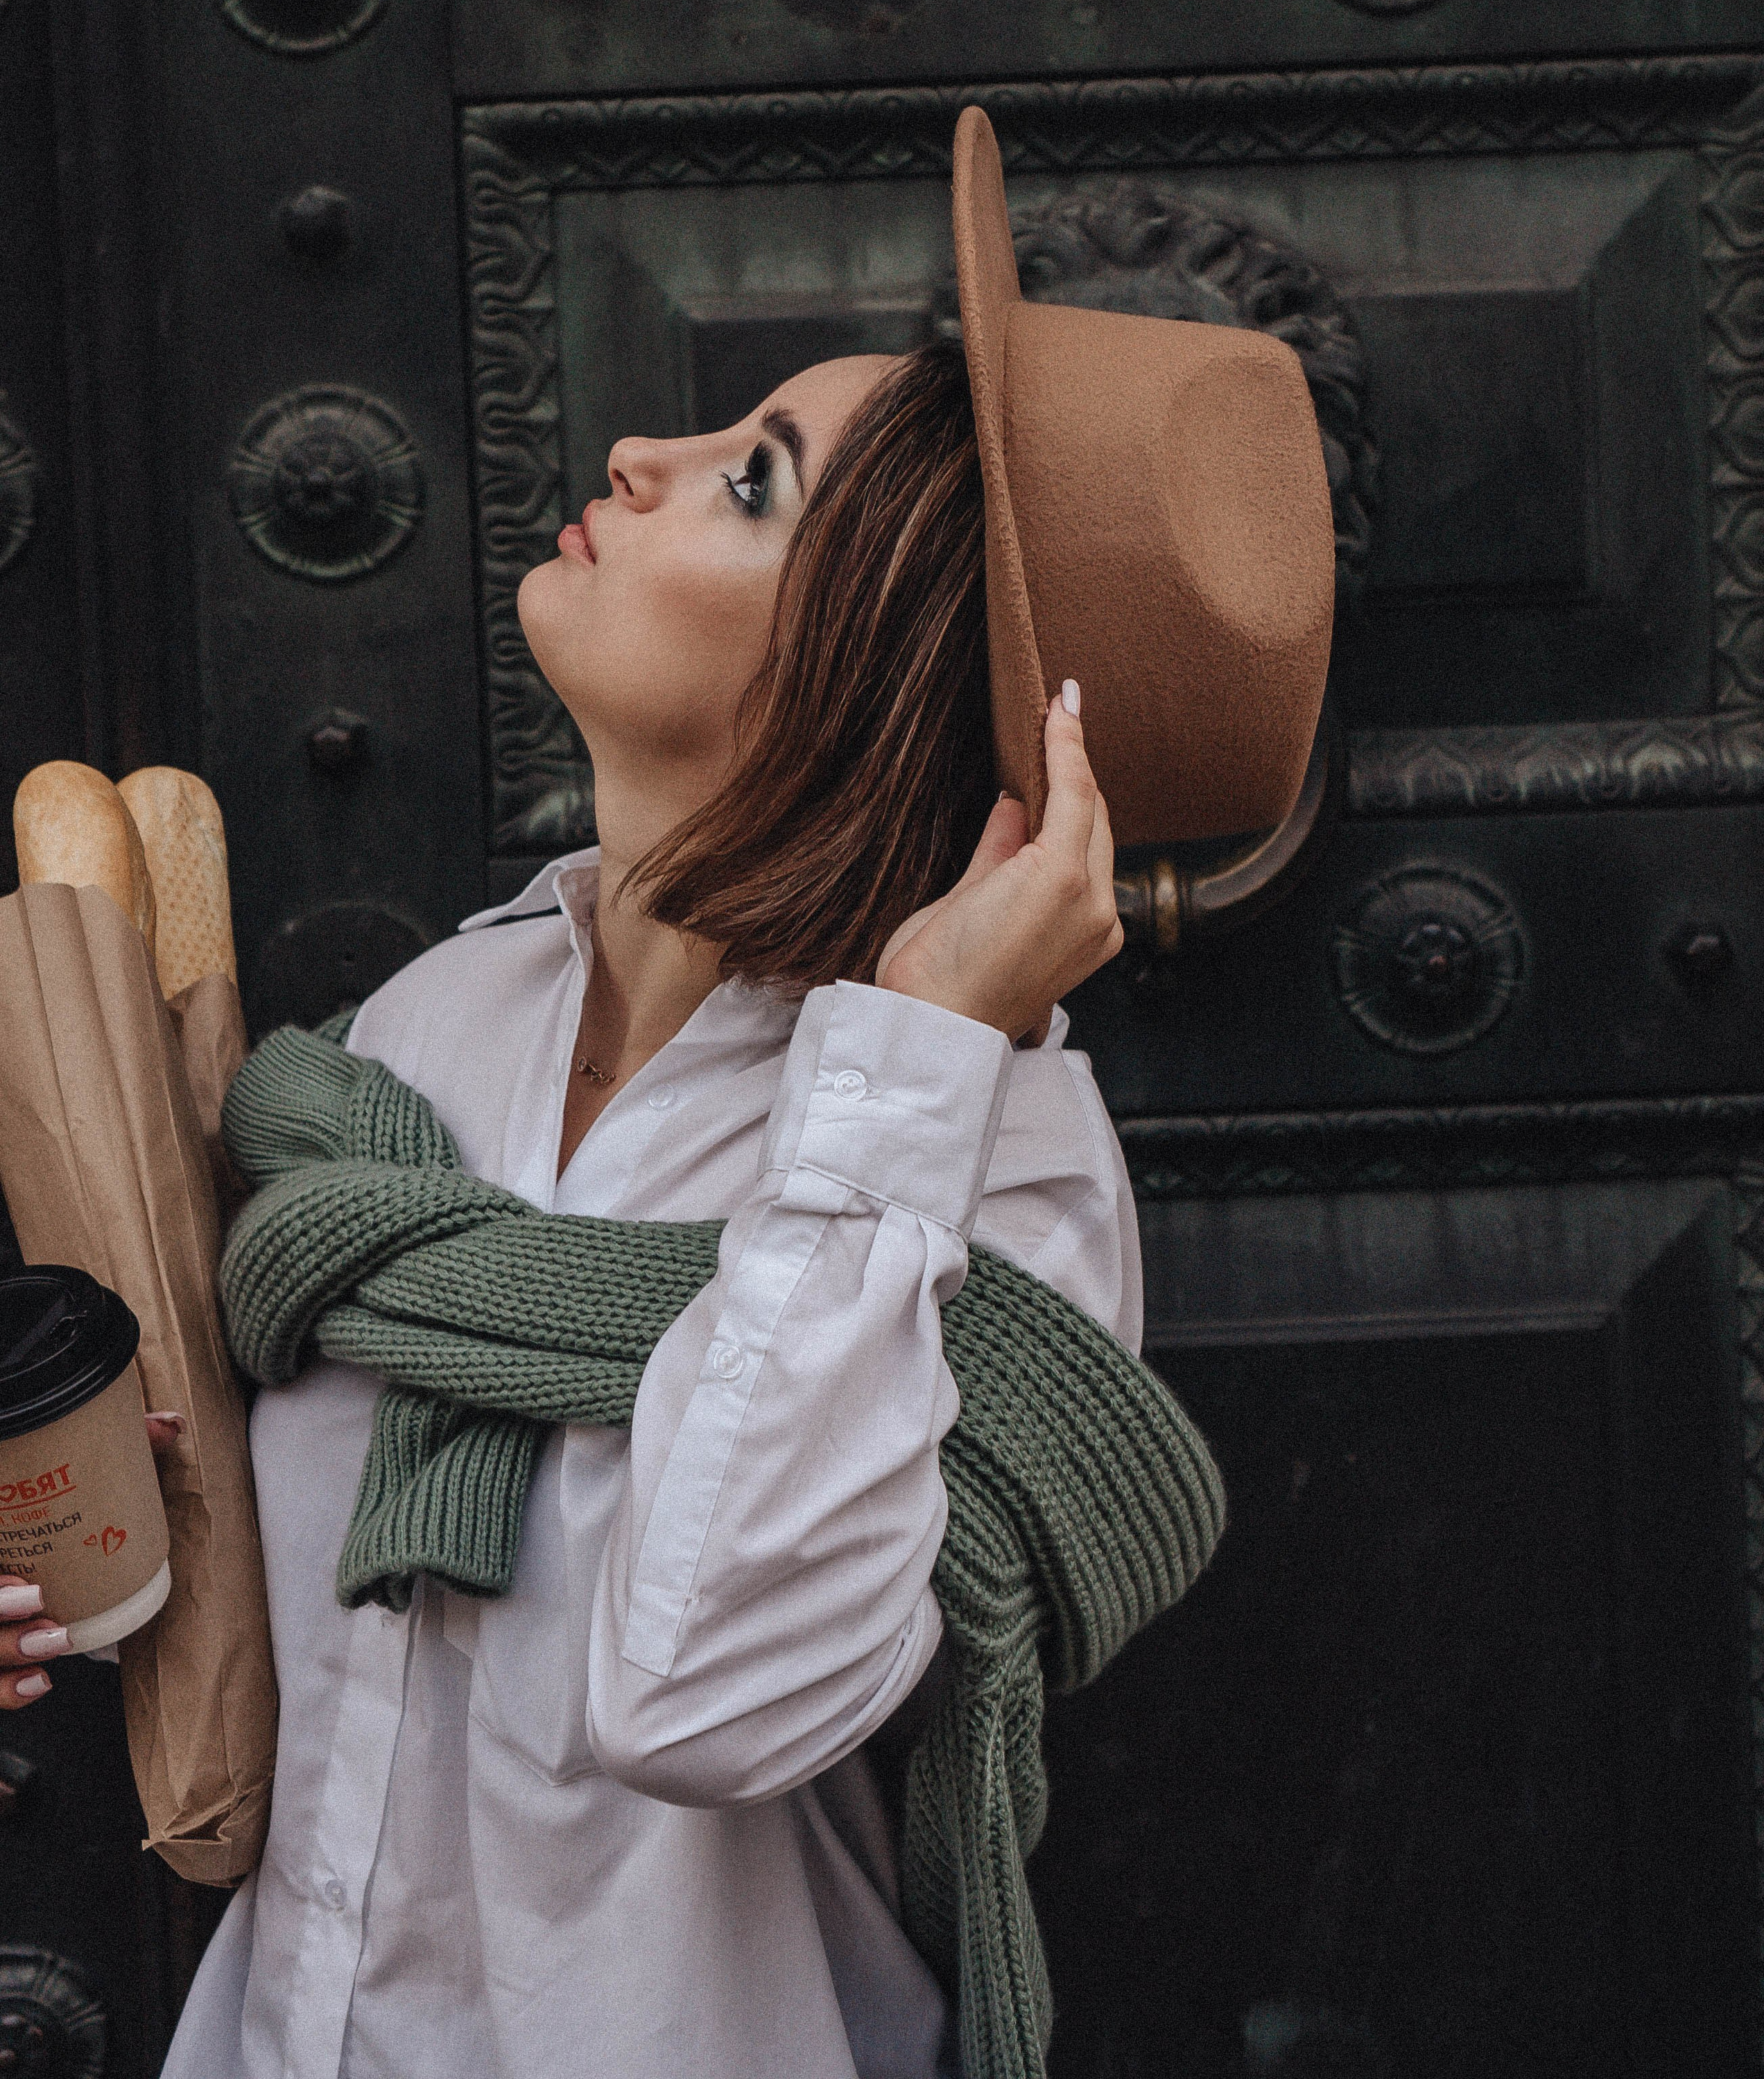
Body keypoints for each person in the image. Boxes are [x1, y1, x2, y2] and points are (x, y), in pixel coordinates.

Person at [0, 110, 1333, 2078]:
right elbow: (253, 1629)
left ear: (875, 673)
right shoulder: (418, 1040)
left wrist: (920, 1062)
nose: (641, 455)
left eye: (753, 483)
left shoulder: (990, 1163)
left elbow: (700, 1701)